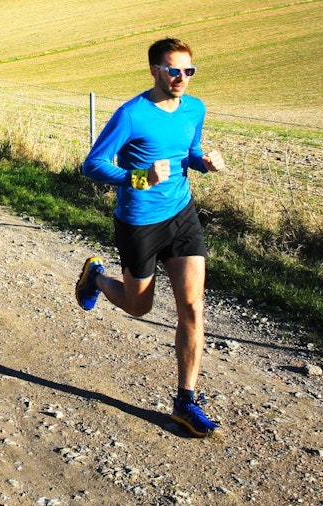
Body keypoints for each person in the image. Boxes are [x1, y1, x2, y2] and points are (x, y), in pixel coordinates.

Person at [76, 37, 225, 437]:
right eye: (172, 70)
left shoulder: (195, 108)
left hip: (182, 215)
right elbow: (92, 166)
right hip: (139, 221)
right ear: (154, 71)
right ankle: (97, 277)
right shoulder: (132, 114)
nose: (181, 78)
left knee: (192, 306)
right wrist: (139, 177)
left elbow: (188, 153)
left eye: (188, 71)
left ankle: (185, 402)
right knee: (138, 306)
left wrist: (204, 161)